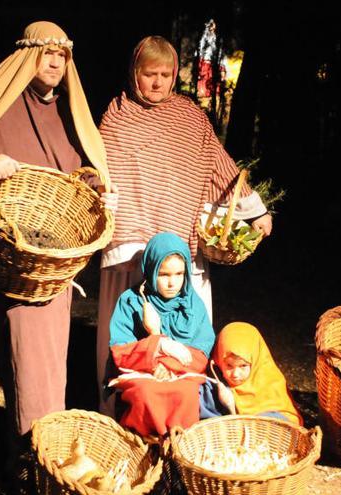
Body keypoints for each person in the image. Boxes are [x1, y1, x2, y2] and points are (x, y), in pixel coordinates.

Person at [0, 20, 116, 491]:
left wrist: (98, 187)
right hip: (16, 256)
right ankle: (27, 460)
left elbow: (81, 165)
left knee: (52, 360)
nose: (55, 64)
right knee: (24, 356)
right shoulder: (2, 104)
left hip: (56, 257)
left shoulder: (66, 113)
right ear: (27, 56)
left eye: (62, 56)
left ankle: (45, 458)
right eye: (47, 54)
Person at [96, 35, 272, 416]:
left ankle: (189, 407)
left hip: (179, 248)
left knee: (189, 327)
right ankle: (119, 411)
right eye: (149, 74)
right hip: (132, 243)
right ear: (133, 73)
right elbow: (98, 169)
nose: (157, 83)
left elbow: (220, 166)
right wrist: (97, 195)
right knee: (127, 324)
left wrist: (254, 209)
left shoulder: (189, 115)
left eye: (165, 74)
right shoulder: (118, 113)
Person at [107, 232, 215, 438]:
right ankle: (146, 446)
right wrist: (157, 348)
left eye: (179, 274)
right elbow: (120, 350)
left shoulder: (193, 304)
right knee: (145, 393)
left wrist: (168, 366)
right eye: (164, 274)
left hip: (183, 374)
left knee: (186, 394)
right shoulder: (131, 301)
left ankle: (178, 447)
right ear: (150, 269)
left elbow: (202, 352)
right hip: (144, 374)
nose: (172, 282)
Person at [210, 322, 303, 425]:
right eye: (229, 366)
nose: (235, 374)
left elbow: (287, 421)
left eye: (243, 366)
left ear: (256, 361)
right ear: (218, 359)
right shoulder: (214, 382)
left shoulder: (270, 383)